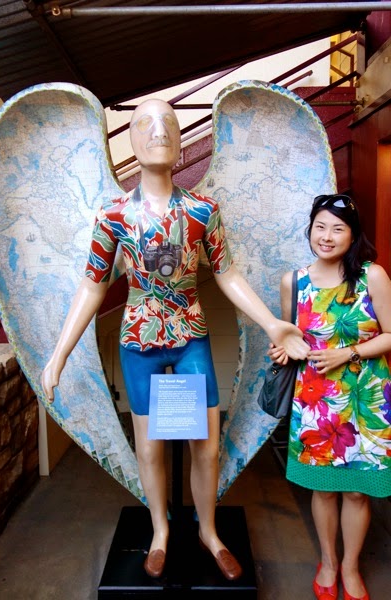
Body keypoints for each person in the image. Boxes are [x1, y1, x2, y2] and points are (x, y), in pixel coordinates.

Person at [41, 98, 308, 581]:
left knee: (205, 442)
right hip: (138, 340)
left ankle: (209, 530)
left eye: (169, 123)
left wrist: (272, 323)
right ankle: (160, 531)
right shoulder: (114, 215)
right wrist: (59, 353)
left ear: (181, 141)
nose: (159, 132)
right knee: (149, 447)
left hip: (190, 336)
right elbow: (92, 285)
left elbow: (227, 274)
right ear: (130, 140)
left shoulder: (203, 211)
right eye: (145, 124)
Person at [269, 193, 391, 600]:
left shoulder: (372, 276)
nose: (326, 236)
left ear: (353, 235)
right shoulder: (294, 282)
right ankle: (328, 562)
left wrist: (349, 352)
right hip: (317, 401)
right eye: (320, 226)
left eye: (338, 228)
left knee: (356, 491)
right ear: (310, 230)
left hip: (366, 399)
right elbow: (290, 338)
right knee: (323, 489)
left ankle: (351, 567)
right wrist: (283, 350)